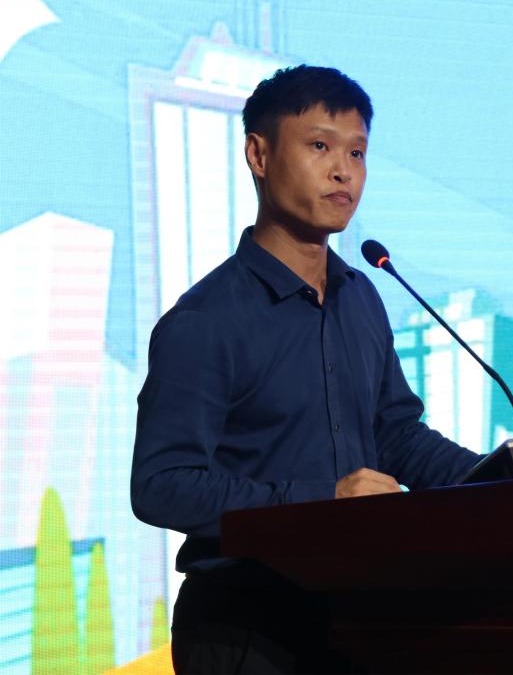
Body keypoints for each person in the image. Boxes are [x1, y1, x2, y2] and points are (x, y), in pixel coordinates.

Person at [130, 65, 482, 674]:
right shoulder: (206, 320)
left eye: (357, 152)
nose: (343, 170)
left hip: (360, 614)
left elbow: (395, 436)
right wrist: (324, 500)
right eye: (320, 146)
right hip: (246, 625)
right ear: (259, 155)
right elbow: (162, 484)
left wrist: (501, 478)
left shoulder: (361, 296)